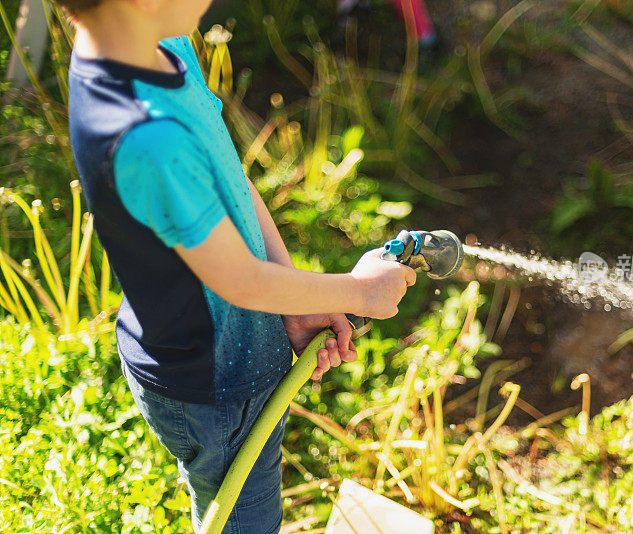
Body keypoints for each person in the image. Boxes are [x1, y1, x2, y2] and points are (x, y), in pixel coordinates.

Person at [61, 0, 417, 531]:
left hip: (236, 348)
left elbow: (230, 175)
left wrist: (293, 301)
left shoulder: (159, 45)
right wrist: (360, 293)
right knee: (243, 520)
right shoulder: (143, 136)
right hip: (211, 384)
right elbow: (241, 282)